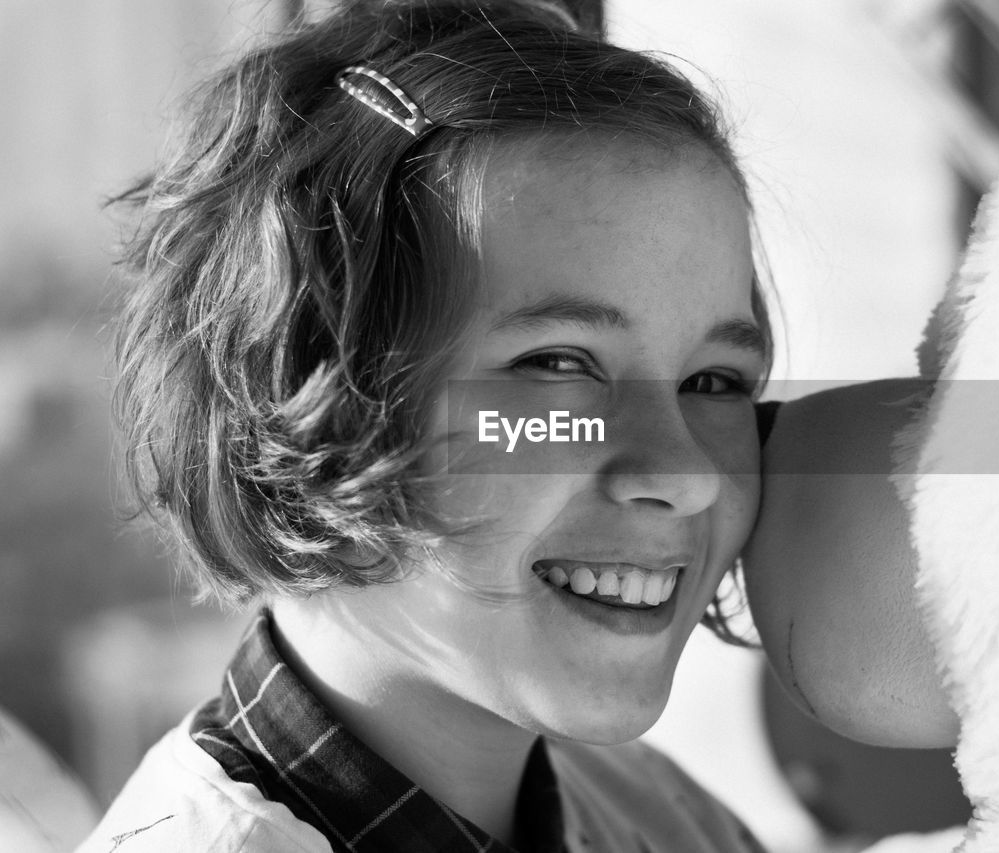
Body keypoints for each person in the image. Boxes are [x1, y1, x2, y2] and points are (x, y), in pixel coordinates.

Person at [78, 1, 775, 850]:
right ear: (306, 388)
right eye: (556, 365)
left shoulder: (663, 818)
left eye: (714, 380)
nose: (685, 471)